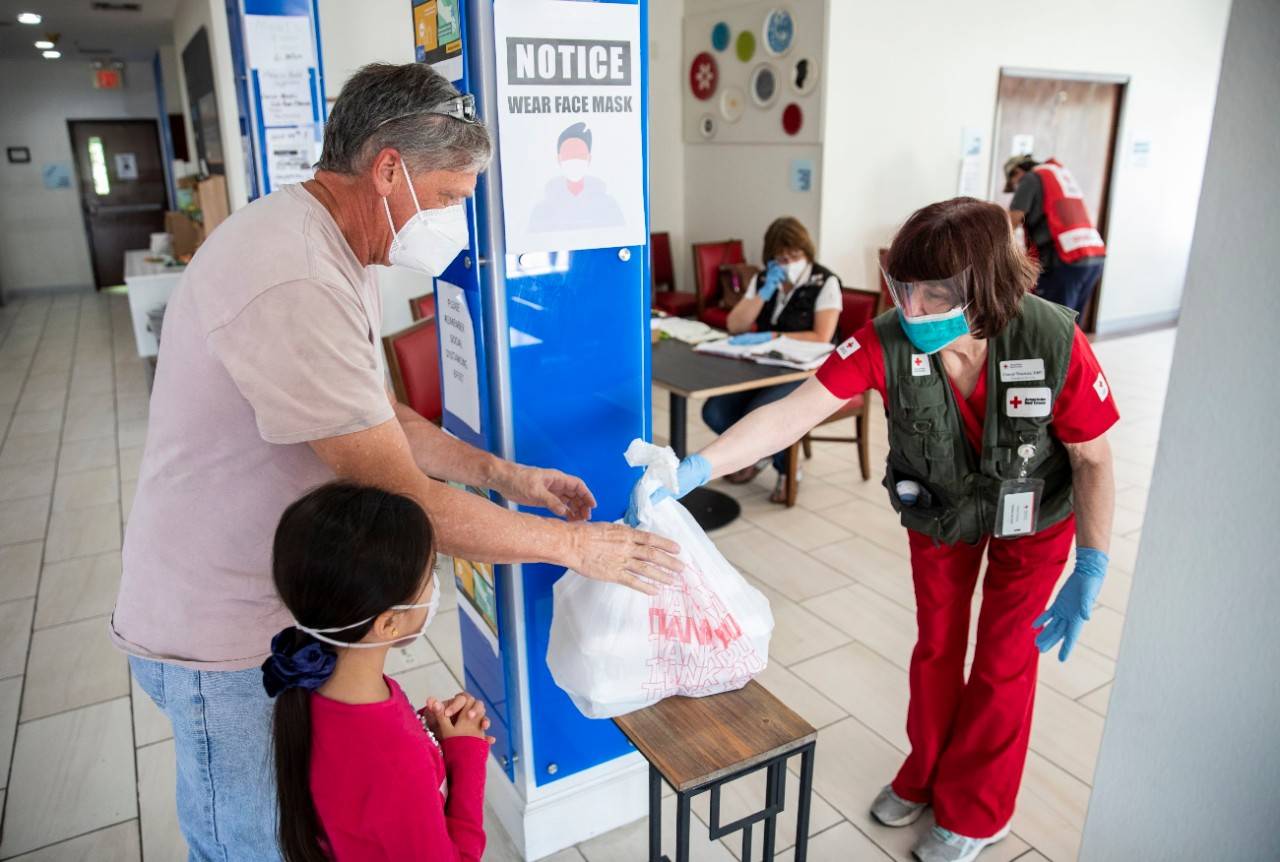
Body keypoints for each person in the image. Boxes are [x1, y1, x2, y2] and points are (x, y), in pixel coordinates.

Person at [113, 63, 682, 861]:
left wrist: (503, 475)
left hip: (278, 604)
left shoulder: (313, 240)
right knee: (253, 845)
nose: (453, 220)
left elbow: (380, 421)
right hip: (221, 633)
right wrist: (578, 548)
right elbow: (398, 493)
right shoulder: (296, 274)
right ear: (387, 170)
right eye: (449, 197)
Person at [640, 198, 1119, 862]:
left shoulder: (1053, 339)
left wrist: (1092, 561)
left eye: (935, 294)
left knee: (1005, 659)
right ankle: (926, 776)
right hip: (941, 511)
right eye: (906, 288)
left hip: (1034, 517)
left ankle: (979, 810)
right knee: (937, 646)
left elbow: (1094, 456)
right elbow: (794, 413)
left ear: (982, 288)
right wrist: (696, 466)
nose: (914, 309)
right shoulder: (885, 340)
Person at [266, 482, 490, 862]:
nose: (434, 586)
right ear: (388, 625)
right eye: (429, 574)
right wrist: (467, 755)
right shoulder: (394, 763)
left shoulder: (318, 685)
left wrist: (427, 734)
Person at [703, 216, 843, 503]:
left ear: (806, 252)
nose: (789, 261)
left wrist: (773, 337)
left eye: (795, 255)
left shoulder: (825, 281)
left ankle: (786, 468)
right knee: (715, 411)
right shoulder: (765, 279)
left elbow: (822, 336)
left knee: (761, 411)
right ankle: (758, 452)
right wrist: (762, 294)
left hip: (805, 371)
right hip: (763, 366)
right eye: (781, 257)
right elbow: (735, 325)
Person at [1004, 154, 1106, 317]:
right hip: (1093, 255)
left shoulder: (1030, 178)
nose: (1016, 188)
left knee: (1054, 322)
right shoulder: (1059, 175)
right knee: (1070, 323)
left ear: (1017, 172)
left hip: (1065, 258)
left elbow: (1012, 221)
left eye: (1013, 185)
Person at [528, 121, 625, 232]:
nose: (574, 159)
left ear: (589, 159)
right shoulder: (542, 211)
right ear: (559, 159)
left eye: (579, 154)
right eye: (568, 154)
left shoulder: (609, 206)